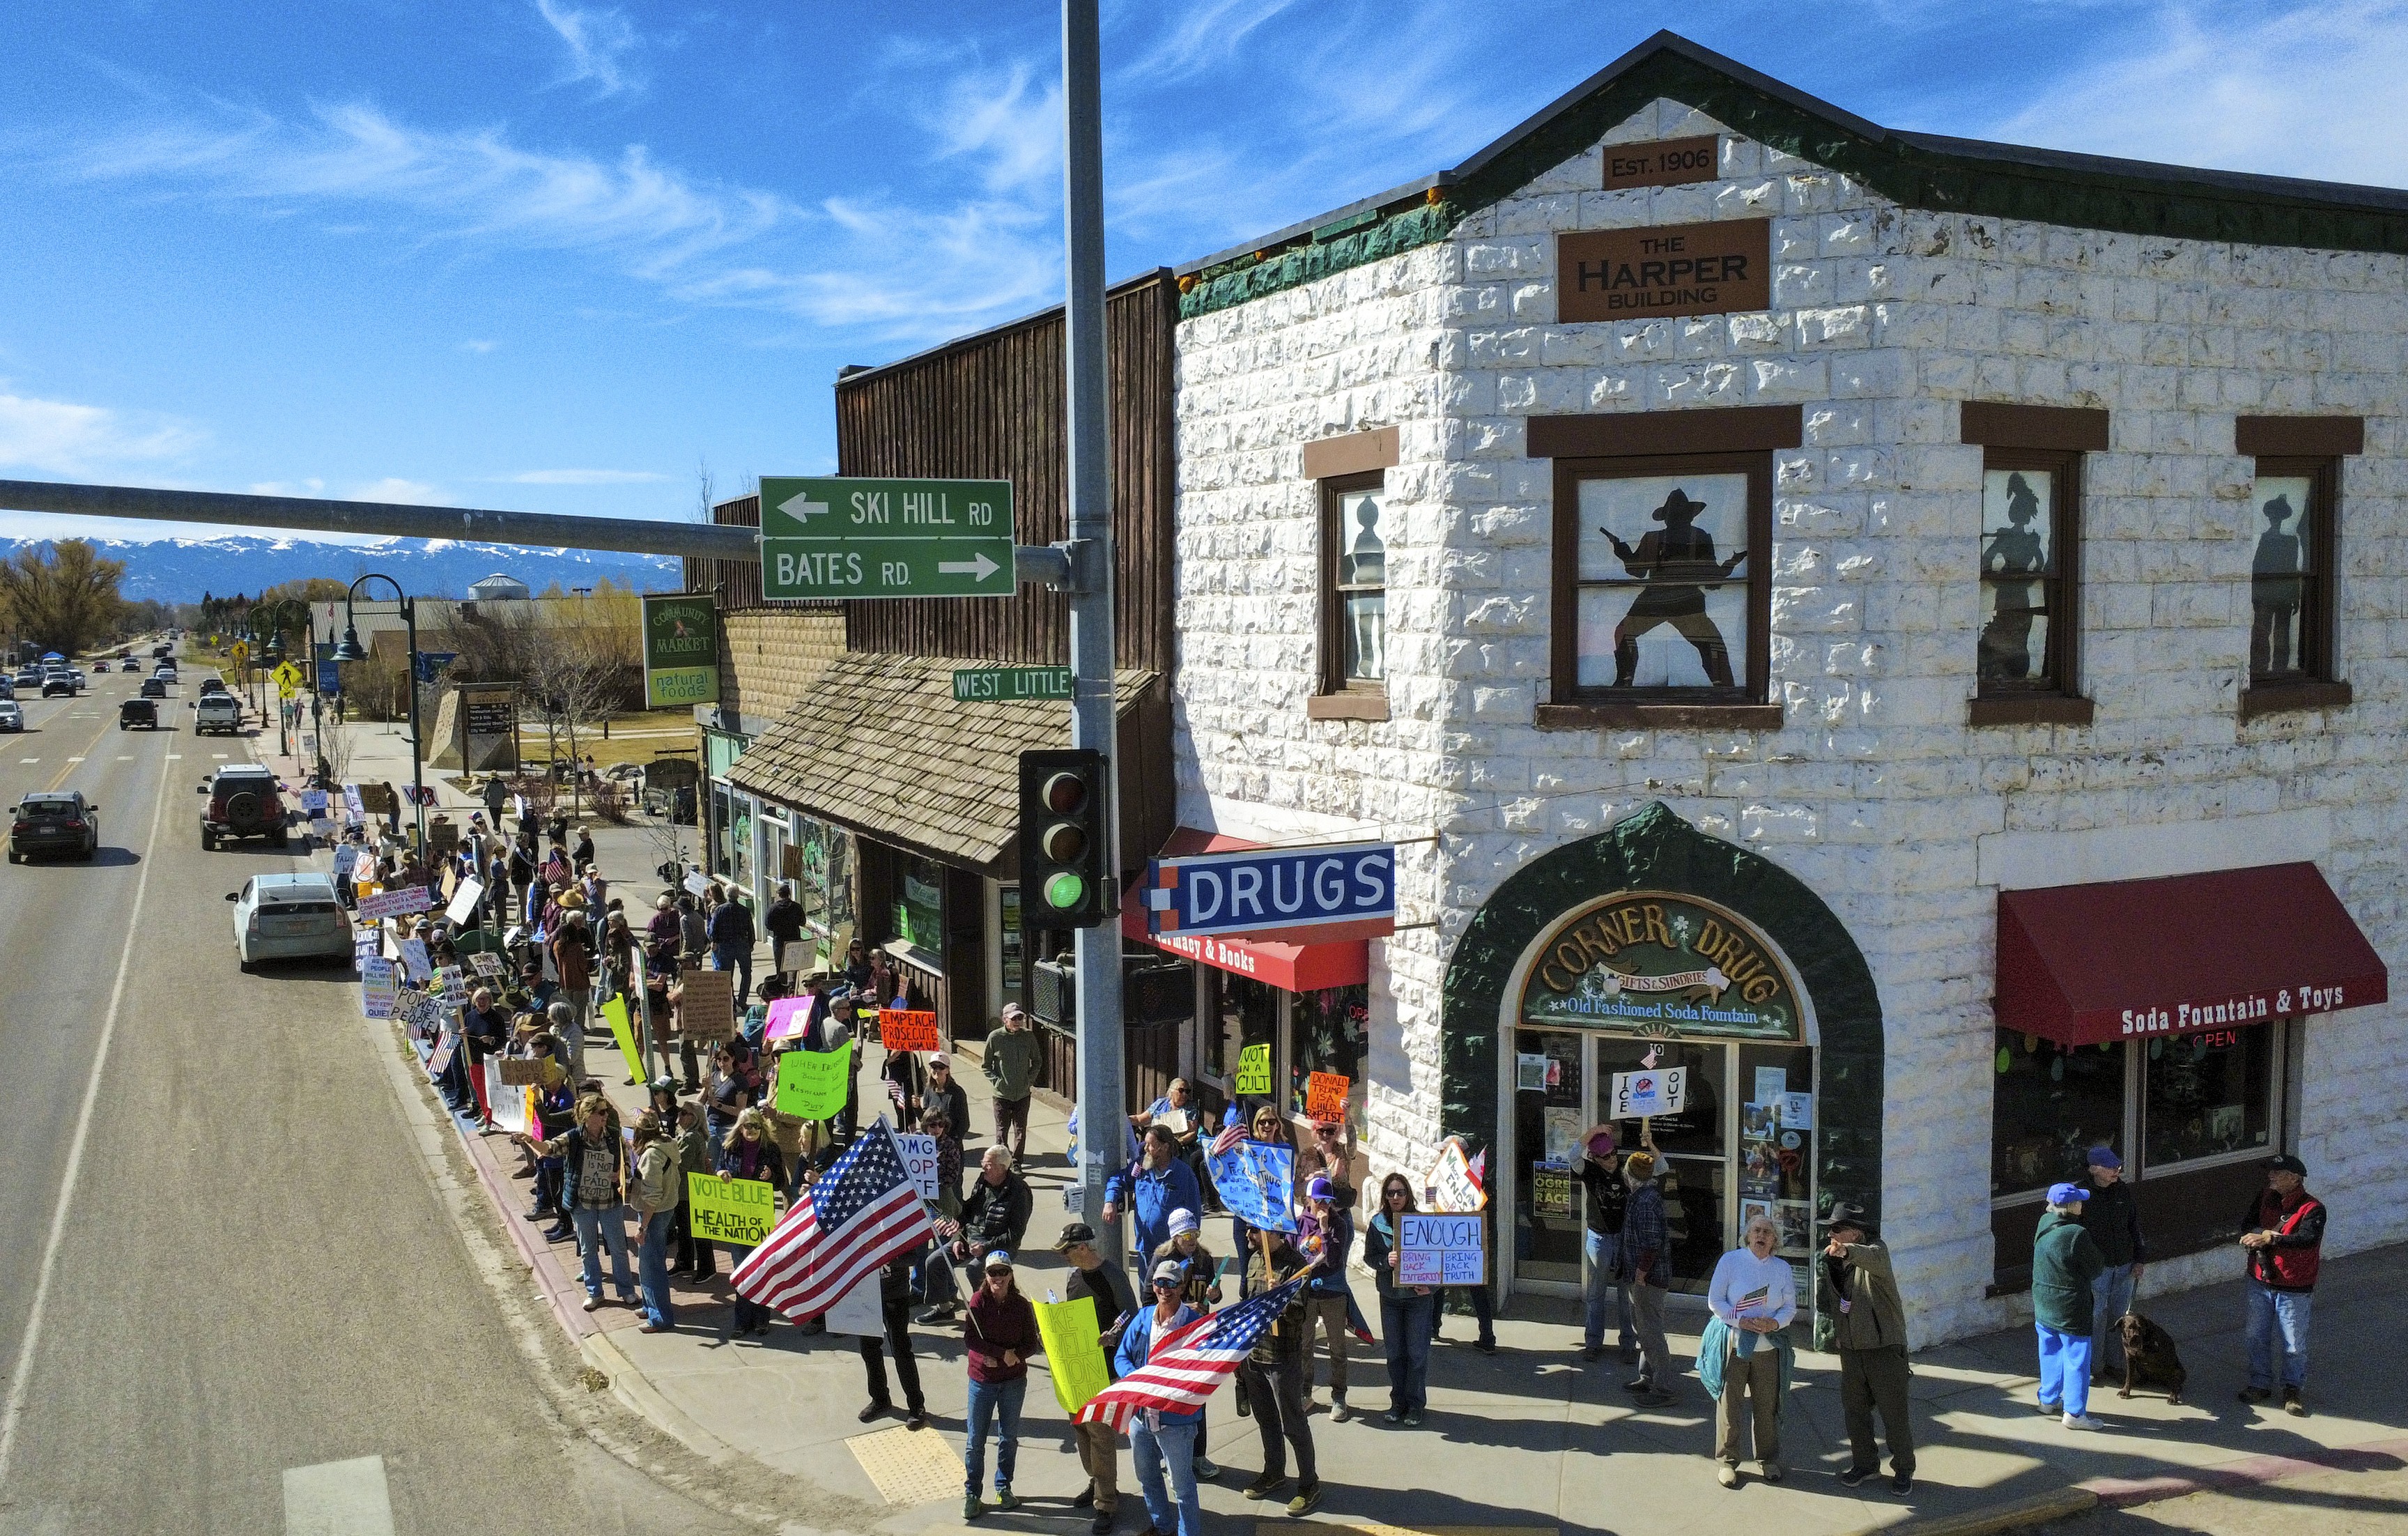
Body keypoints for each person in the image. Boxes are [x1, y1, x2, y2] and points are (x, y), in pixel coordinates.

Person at [1819, 1201, 1915, 1494]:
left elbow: (1873, 1259)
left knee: (1893, 1414)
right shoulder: (1834, 1263)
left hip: (1884, 1349)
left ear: (1856, 1235)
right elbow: (1836, 1304)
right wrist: (1838, 1335)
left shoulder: (1877, 1253)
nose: (1831, 1236)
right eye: (1830, 1230)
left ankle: (1903, 1470)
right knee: (1855, 1412)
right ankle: (1865, 1464)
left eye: (1838, 1230)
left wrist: (1847, 1252)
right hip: (1852, 1350)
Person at [1703, 1213, 1796, 1487]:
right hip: (1734, 1345)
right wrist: (1740, 1320)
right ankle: (1728, 1462)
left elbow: (1790, 1307)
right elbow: (1715, 1300)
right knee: (1730, 1405)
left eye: (1767, 1232)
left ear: (1774, 1240)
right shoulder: (1730, 1261)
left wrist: (1775, 1322)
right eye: (1756, 1230)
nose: (1761, 1236)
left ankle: (1768, 1460)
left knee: (1766, 1407)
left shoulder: (1782, 1268)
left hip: (1768, 1348)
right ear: (1747, 1235)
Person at [520, 1094, 636, 1312]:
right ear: (588, 1116)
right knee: (588, 1250)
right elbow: (547, 1149)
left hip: (610, 1203)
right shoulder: (572, 1138)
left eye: (606, 1111)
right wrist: (529, 1140)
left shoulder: (614, 1137)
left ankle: (626, 1290)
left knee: (619, 1249)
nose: (606, 1116)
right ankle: (595, 1293)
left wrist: (620, 1174)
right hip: (583, 1204)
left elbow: (627, 1166)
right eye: (601, 1112)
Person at [1237, 1231, 1321, 1516]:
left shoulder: (1296, 1265)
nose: (1248, 1234)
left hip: (1282, 1356)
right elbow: (1246, 1303)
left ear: (1271, 1231)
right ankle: (1274, 1472)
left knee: (1293, 1424)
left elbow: (1300, 1313)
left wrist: (1280, 1298)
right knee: (1266, 1420)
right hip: (1254, 1353)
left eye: (1253, 1230)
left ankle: (1309, 1484)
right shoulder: (1253, 1259)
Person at [1059, 1221, 1135, 1535]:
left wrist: (1114, 1333)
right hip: (1077, 1367)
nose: (1063, 1255)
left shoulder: (1113, 1275)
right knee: (1080, 1429)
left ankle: (1106, 1503)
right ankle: (1097, 1481)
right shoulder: (1073, 1276)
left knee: (1101, 1437)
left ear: (1082, 1249)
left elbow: (1131, 1312)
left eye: (1067, 1250)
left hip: (1103, 1369)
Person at [1118, 1261, 1203, 1536]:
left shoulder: (1193, 1325)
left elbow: (1201, 1371)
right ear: (1153, 1286)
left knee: (1182, 1486)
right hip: (1141, 1416)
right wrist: (1140, 1381)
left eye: (1171, 1284)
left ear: (1181, 1287)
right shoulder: (1142, 1318)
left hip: (1176, 1421)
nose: (1164, 1289)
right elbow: (1122, 1357)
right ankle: (1162, 1526)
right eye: (1159, 1283)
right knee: (1147, 1476)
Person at [2239, 1154, 2326, 1415]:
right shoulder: (2264, 1197)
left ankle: (2292, 1390)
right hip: (2260, 1280)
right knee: (2256, 1336)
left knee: (2294, 1344)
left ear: (2295, 1178)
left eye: (2278, 1173)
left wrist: (2269, 1239)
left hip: (2294, 1286)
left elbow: (2307, 1240)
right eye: (2271, 1173)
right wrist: (2250, 1235)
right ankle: (2260, 1383)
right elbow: (2248, 1223)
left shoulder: (2314, 1209)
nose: (2271, 1177)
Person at [962, 1250, 1037, 1520]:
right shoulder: (978, 1302)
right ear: (986, 1275)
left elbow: (1032, 1343)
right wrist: (994, 1354)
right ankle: (972, 1492)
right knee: (975, 1441)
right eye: (993, 1272)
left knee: (1008, 1438)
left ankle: (1003, 1487)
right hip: (982, 1382)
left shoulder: (1021, 1305)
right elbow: (971, 1339)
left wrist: (1013, 1356)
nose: (998, 1278)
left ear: (1011, 1275)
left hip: (1013, 1381)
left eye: (1003, 1272)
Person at [1148, 1211, 1222, 1480]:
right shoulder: (1162, 1259)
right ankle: (1169, 1457)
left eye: (1196, 1234)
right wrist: (1180, 1306)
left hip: (1199, 1338)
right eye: (1187, 1236)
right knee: (1169, 1398)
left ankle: (1198, 1456)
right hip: (1170, 1336)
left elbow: (1215, 1295)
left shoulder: (1204, 1259)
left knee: (1197, 1397)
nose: (1193, 1240)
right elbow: (1148, 1297)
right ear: (1175, 1237)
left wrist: (1215, 1294)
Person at [2032, 1180, 2108, 1429]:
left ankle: (2047, 1399)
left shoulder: (2044, 1224)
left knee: (2049, 1349)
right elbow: (2096, 1267)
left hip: (2043, 1301)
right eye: (2079, 1201)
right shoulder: (2077, 1234)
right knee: (2077, 1357)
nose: (2082, 1204)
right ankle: (2075, 1414)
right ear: (2071, 1206)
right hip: (2071, 1307)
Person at [1363, 1172, 1435, 1425]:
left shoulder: (1422, 1223)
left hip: (1418, 1301)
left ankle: (1416, 1405)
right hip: (1391, 1299)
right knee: (1394, 1354)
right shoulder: (1377, 1223)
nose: (1395, 1197)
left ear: (1408, 1195)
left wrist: (1432, 1288)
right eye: (1391, 1193)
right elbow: (1369, 1257)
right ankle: (1397, 1403)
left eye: (1400, 1192)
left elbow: (1438, 1263)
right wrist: (1386, 1262)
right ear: (1384, 1196)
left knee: (1417, 1354)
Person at [927, 1149, 1031, 1323]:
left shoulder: (1019, 1192)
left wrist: (985, 1247)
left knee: (975, 1270)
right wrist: (959, 1238)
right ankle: (944, 1309)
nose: (983, 1168)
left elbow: (1015, 1234)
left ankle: (989, 1313)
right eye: (983, 1164)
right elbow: (968, 1211)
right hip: (973, 1238)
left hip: (1001, 1245)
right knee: (935, 1261)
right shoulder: (983, 1180)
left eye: (987, 1165)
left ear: (1001, 1168)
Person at [714, 1107, 787, 1339]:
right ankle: (741, 1320)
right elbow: (718, 1168)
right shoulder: (730, 1148)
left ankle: (761, 1319)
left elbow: (781, 1183)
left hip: (761, 1218)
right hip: (737, 1217)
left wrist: (770, 1177)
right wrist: (721, 1173)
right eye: (748, 1125)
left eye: (756, 1125)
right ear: (740, 1127)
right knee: (741, 1270)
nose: (752, 1130)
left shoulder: (770, 1150)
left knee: (760, 1269)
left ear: (762, 1127)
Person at [2078, 1146, 2147, 1385]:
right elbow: (2076, 1236)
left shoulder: (2122, 1191)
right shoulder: (2082, 1195)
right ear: (2094, 1169)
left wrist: (2139, 1259)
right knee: (2095, 1318)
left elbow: (2133, 1226)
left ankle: (2117, 1365)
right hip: (2098, 1269)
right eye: (2110, 1167)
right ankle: (2093, 1367)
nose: (2116, 1171)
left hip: (2124, 1265)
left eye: (2117, 1166)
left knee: (2120, 1318)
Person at [1619, 1151, 1676, 1406]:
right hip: (1641, 1276)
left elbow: (1652, 1243)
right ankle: (1647, 1376)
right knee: (1642, 1328)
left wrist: (1641, 1274)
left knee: (1651, 1332)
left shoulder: (1645, 1201)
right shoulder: (1641, 1197)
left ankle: (1662, 1387)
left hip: (1649, 1280)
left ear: (1630, 1174)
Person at [1104, 1124, 1203, 1270]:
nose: (1145, 1149)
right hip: (1145, 1249)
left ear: (1164, 1147)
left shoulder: (1184, 1174)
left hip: (1170, 1252)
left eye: (1150, 1145)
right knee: (1146, 1292)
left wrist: (1188, 1247)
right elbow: (1118, 1180)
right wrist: (1110, 1201)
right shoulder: (1141, 1166)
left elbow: (1194, 1214)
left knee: (1167, 1291)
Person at [1297, 1176, 1354, 1420]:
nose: (1323, 1205)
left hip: (1332, 1291)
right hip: (1307, 1293)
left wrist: (1323, 1231)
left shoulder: (1338, 1224)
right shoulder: (1299, 1223)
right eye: (1318, 1200)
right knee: (1305, 1345)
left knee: (1337, 1347)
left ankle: (1339, 1396)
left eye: (1327, 1201)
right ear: (1309, 1200)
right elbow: (1292, 1255)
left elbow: (1334, 1260)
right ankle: (1305, 1393)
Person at [1577, 1126, 1634, 1362]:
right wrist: (1594, 1131)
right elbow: (1572, 1154)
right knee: (1596, 1293)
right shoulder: (1589, 1171)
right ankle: (1593, 1342)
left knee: (1625, 1294)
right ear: (1594, 1158)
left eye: (1614, 1153)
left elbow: (1660, 1169)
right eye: (1606, 1156)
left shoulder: (1626, 1171)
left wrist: (1649, 1143)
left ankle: (1629, 1344)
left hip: (1623, 1237)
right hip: (1599, 1237)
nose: (1612, 1159)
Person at [858, 1251, 928, 1429]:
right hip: (865, 1293)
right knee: (868, 1349)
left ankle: (916, 1405)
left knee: (901, 1350)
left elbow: (914, 1256)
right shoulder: (855, 1224)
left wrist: (891, 1257)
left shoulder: (893, 1222)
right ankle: (880, 1399)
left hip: (895, 1293)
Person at [630, 1110, 682, 1333]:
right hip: (667, 1208)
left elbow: (652, 1196)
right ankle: (649, 1305)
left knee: (652, 1267)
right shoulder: (667, 1143)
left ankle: (660, 1317)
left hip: (654, 1214)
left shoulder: (651, 1156)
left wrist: (643, 1227)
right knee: (648, 1262)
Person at [981, 1003, 1042, 1164]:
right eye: (1014, 1018)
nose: (1018, 1021)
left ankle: (1016, 1162)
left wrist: (1029, 1080)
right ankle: (1002, 1163)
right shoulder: (995, 1037)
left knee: (1020, 1131)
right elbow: (986, 1066)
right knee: (1002, 1131)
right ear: (1005, 1019)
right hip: (1002, 1095)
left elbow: (1037, 1061)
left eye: (1020, 1018)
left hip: (1022, 1094)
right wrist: (997, 1082)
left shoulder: (1028, 1036)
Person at [672, 1100, 714, 1279]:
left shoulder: (691, 1137)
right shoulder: (686, 1135)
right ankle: (685, 1262)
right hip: (684, 1191)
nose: (680, 1116)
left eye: (684, 1113)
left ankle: (707, 1269)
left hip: (690, 1191)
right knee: (684, 1229)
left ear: (694, 1118)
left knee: (698, 1231)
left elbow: (681, 1164)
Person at [707, 889, 755, 1005]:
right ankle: (742, 1000)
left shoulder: (720, 910)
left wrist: (714, 940)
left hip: (725, 946)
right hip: (742, 944)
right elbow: (751, 929)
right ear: (738, 895)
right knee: (746, 973)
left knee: (727, 975)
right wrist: (751, 944)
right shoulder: (744, 910)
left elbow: (713, 929)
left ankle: (731, 1001)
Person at [922, 1054, 971, 1149]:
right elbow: (926, 1119)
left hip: (951, 1147)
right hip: (932, 1146)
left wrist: (953, 1142)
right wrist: (917, 1108)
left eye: (941, 1067)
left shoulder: (957, 1093)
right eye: (934, 1067)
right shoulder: (928, 1090)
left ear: (947, 1070)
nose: (937, 1070)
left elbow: (964, 1124)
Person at [763, 882, 806, 972]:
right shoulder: (796, 907)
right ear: (789, 894)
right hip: (794, 940)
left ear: (779, 895)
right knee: (794, 967)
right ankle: (793, 985)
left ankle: (782, 984)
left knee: (780, 966)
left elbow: (768, 925)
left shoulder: (773, 908)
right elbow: (802, 922)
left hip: (779, 941)